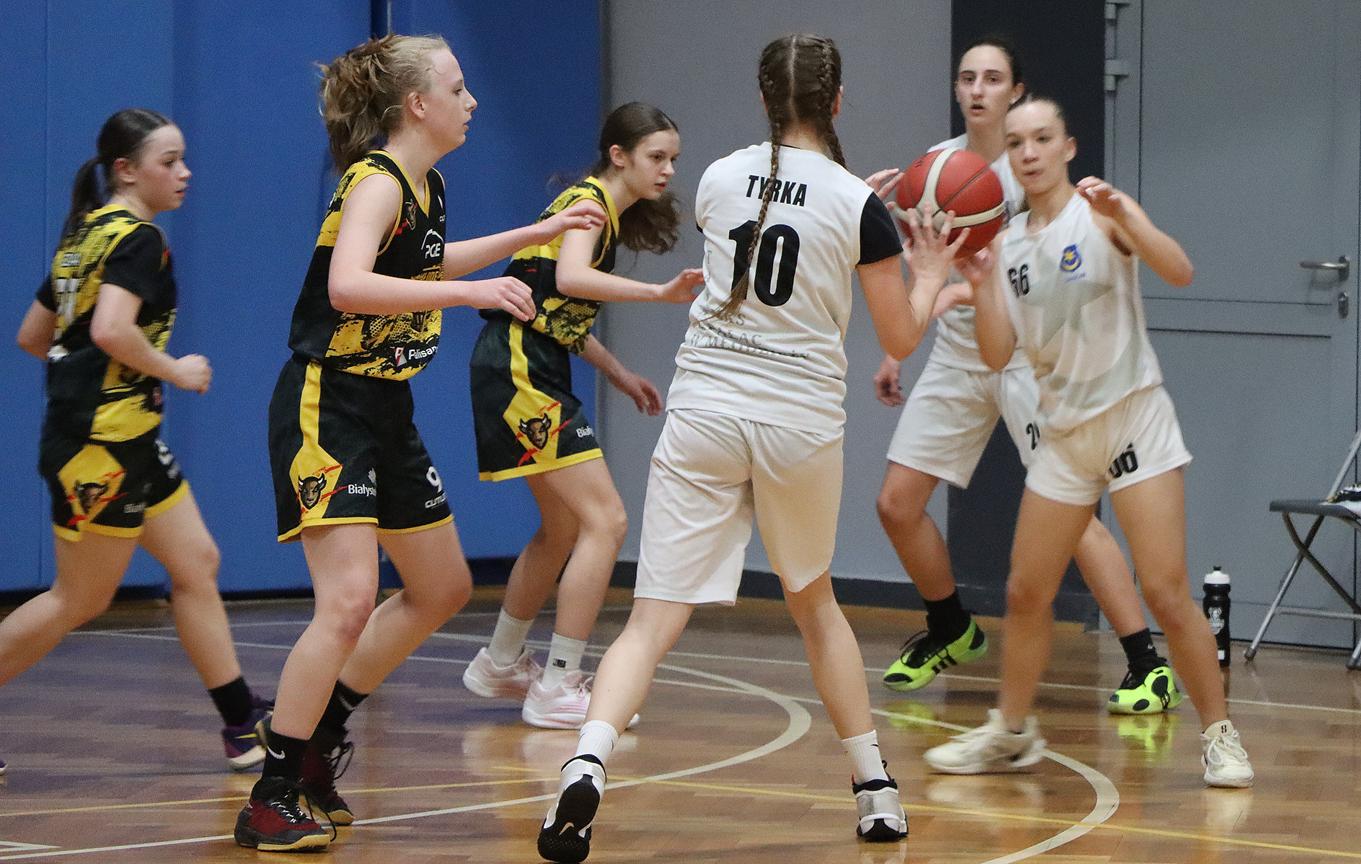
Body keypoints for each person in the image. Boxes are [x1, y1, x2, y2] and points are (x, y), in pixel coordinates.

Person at [537, 33, 963, 863]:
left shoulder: (719, 177)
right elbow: (900, 336)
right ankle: (875, 791)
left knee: (651, 620)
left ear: (765, 100)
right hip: (795, 421)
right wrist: (927, 271)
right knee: (815, 607)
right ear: (836, 101)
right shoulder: (857, 204)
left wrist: (854, 215)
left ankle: (585, 763)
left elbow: (778, 213)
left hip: (705, 407)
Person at [234, 35, 605, 852]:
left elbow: (426, 266)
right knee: (347, 601)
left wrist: (535, 232)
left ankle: (321, 735)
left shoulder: (426, 185)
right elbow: (348, 286)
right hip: (327, 402)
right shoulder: (375, 181)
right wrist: (473, 294)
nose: (471, 101)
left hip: (384, 406)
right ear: (417, 104)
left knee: (439, 588)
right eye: (458, 88)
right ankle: (271, 793)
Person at [922, 95, 1254, 788]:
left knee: (1164, 591)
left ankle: (1220, 736)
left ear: (1067, 147)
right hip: (1065, 436)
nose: (1029, 153)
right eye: (1017, 143)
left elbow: (1180, 271)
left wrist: (1129, 218)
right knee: (1025, 591)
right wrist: (980, 283)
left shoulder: (1101, 213)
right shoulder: (1007, 245)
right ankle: (1012, 733)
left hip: (1133, 417)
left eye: (1042, 139)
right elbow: (996, 354)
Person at [875, 35, 1179, 715]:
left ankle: (1146, 663)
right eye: (966, 78)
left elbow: (1030, 274)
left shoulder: (1030, 171)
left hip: (1031, 358)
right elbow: (926, 268)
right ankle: (950, 626)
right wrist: (898, 348)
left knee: (1073, 519)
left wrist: (958, 294)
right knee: (896, 503)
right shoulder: (935, 169)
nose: (976, 89)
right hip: (958, 354)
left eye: (992, 78)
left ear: (1016, 92)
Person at [6, 108, 270, 776]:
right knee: (79, 599)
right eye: (168, 162)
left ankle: (240, 723)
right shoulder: (139, 241)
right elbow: (109, 330)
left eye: (183, 159)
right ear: (126, 170)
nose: (184, 173)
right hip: (101, 450)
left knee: (196, 562)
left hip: (127, 440)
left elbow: (34, 336)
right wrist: (172, 370)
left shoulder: (86, 233)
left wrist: (101, 383)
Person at [461, 102, 702, 729]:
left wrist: (619, 373)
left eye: (673, 159)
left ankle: (501, 661)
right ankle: (558, 683)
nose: (668, 169)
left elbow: (557, 310)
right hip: (518, 369)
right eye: (656, 157)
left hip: (523, 362)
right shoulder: (589, 203)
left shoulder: (602, 213)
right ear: (618, 156)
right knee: (607, 520)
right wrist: (658, 294)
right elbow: (570, 278)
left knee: (563, 527)